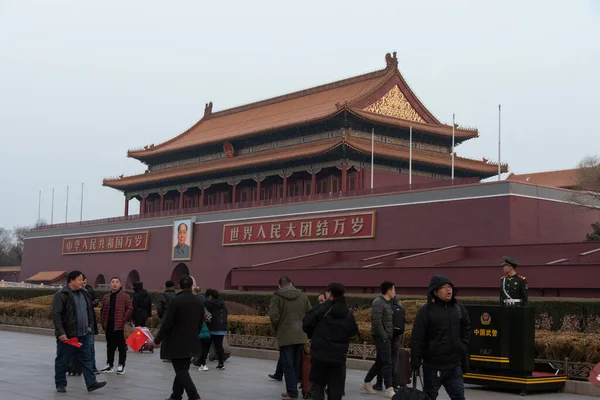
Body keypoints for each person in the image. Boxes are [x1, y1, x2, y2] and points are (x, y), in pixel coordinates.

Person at [411, 275, 471, 400]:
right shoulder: (426, 311)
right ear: (435, 291)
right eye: (444, 287)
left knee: (459, 397)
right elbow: (418, 337)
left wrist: (462, 345)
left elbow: (467, 328)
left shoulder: (458, 308)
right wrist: (415, 362)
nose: (448, 290)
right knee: (429, 397)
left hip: (454, 365)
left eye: (450, 287)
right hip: (433, 366)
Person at [52, 270, 107, 393]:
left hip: (83, 334)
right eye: (79, 279)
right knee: (63, 360)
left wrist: (89, 326)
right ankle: (60, 384)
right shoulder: (61, 295)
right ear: (71, 280)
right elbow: (56, 315)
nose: (82, 282)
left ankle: (91, 383)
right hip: (68, 335)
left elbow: (89, 311)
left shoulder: (85, 293)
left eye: (82, 279)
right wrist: (61, 332)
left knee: (86, 359)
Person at [152, 275, 204, 400]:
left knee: (181, 370)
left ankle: (194, 395)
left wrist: (157, 339)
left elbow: (167, 322)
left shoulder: (176, 301)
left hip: (176, 342)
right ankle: (176, 395)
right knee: (183, 369)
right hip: (192, 340)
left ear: (179, 286)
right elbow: (200, 322)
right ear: (192, 286)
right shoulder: (199, 301)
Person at [303, 282, 358, 400]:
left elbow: (306, 323)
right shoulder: (347, 313)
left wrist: (314, 333)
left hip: (319, 356)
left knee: (317, 385)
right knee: (336, 389)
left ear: (329, 294)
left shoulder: (321, 309)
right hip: (338, 358)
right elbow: (353, 331)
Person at [269, 276, 312, 400]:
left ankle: (292, 394)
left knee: (288, 366)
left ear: (279, 285)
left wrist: (278, 328)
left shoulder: (277, 297)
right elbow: (310, 313)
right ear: (292, 283)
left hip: (285, 335)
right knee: (296, 364)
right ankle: (291, 391)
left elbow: (274, 316)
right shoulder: (303, 296)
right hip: (300, 334)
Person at [361, 281, 396, 399]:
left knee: (380, 362)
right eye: (394, 290)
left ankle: (366, 383)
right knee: (387, 362)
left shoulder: (388, 303)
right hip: (381, 338)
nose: (395, 292)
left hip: (386, 337)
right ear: (388, 291)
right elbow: (376, 322)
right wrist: (384, 336)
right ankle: (389, 389)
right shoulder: (378, 302)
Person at [99, 276, 132, 375]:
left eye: (117, 282)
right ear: (110, 284)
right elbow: (102, 311)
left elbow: (130, 308)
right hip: (109, 326)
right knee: (110, 346)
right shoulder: (106, 297)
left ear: (120, 285)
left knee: (122, 347)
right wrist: (103, 322)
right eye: (113, 282)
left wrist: (124, 319)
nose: (114, 284)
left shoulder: (125, 296)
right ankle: (109, 364)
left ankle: (121, 365)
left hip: (120, 326)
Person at [199, 289, 229, 370]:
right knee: (219, 346)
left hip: (211, 328)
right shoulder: (223, 303)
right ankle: (221, 364)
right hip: (222, 328)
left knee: (205, 346)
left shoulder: (207, 303)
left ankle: (203, 364)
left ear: (210, 296)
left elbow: (204, 314)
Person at [82, 274, 100, 374]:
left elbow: (94, 301)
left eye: (84, 280)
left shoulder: (89, 290)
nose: (83, 282)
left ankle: (92, 367)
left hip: (89, 324)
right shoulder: (72, 293)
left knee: (90, 345)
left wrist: (95, 302)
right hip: (78, 325)